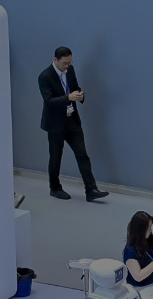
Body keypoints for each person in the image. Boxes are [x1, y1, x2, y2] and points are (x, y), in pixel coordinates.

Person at [38, 46, 106, 201]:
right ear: (55, 60)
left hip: (72, 120)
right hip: (55, 124)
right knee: (56, 157)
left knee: (82, 154)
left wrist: (80, 95)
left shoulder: (70, 70)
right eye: (64, 63)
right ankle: (55, 188)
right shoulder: (45, 76)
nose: (67, 66)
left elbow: (75, 88)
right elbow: (49, 101)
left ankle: (91, 189)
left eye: (69, 63)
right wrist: (68, 98)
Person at [124, 210, 153, 288]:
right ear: (140, 229)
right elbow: (138, 276)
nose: (150, 230)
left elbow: (151, 259)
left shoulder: (146, 241)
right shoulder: (130, 251)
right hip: (140, 289)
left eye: (150, 227)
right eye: (148, 228)